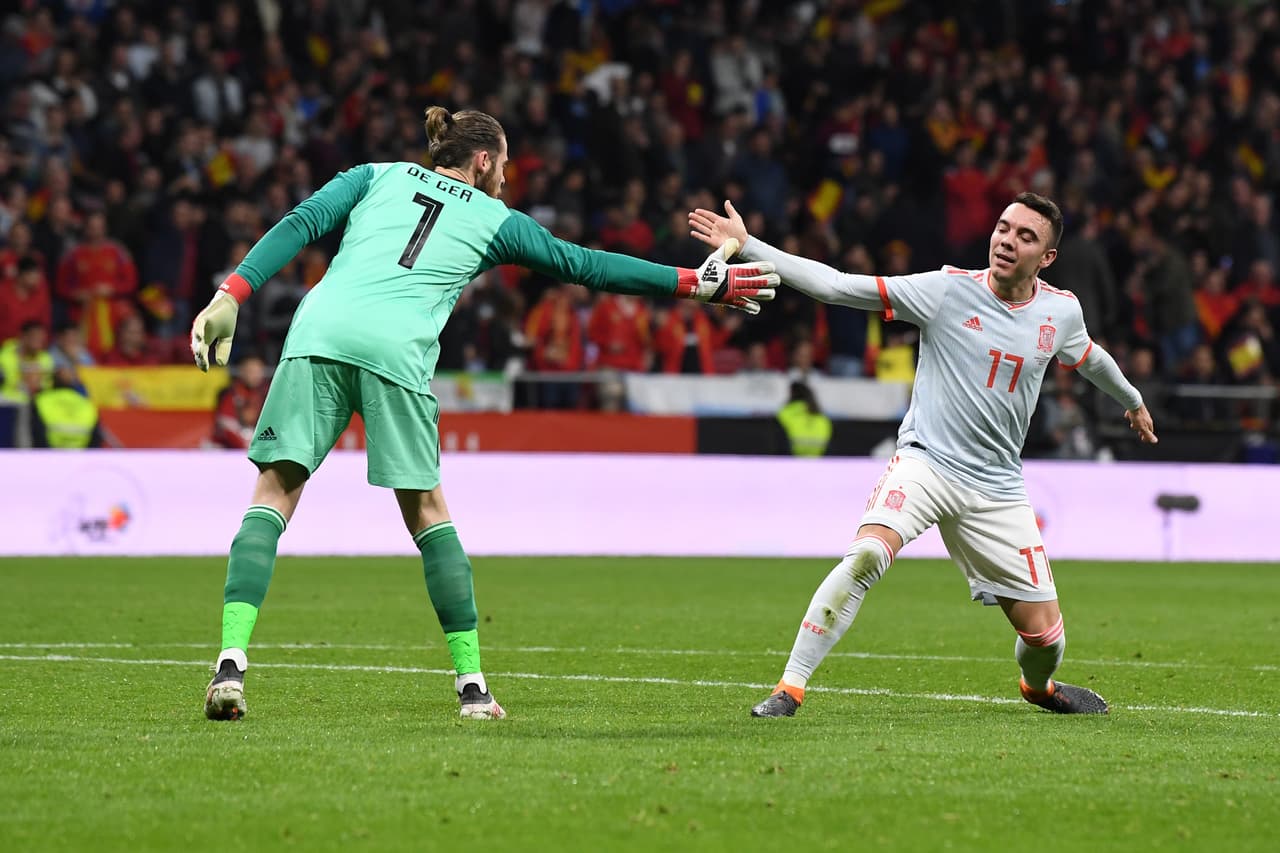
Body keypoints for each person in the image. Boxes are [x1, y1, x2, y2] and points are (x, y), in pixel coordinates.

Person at [189, 105, 778, 723]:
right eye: (504, 162)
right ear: (482, 160)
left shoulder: (372, 175)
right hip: (395, 349)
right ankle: (472, 689)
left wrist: (231, 294)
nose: (507, 175)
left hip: (318, 333)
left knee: (273, 495)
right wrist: (695, 283)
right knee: (428, 515)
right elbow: (588, 266)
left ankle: (230, 664)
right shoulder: (496, 218)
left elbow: (299, 223)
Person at [689, 192, 1158, 717]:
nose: (1008, 240)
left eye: (1026, 236)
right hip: (927, 462)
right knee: (866, 554)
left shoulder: (1060, 311)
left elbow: (1091, 359)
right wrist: (749, 245)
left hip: (998, 488)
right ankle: (789, 687)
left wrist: (1134, 402)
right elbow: (840, 287)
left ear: (1046, 257)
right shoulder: (945, 291)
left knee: (1047, 640)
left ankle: (1039, 689)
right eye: (1004, 227)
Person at [776, 381, 832, 457]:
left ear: (792, 394)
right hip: (817, 460)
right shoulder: (822, 418)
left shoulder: (785, 413)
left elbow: (776, 441)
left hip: (791, 459)